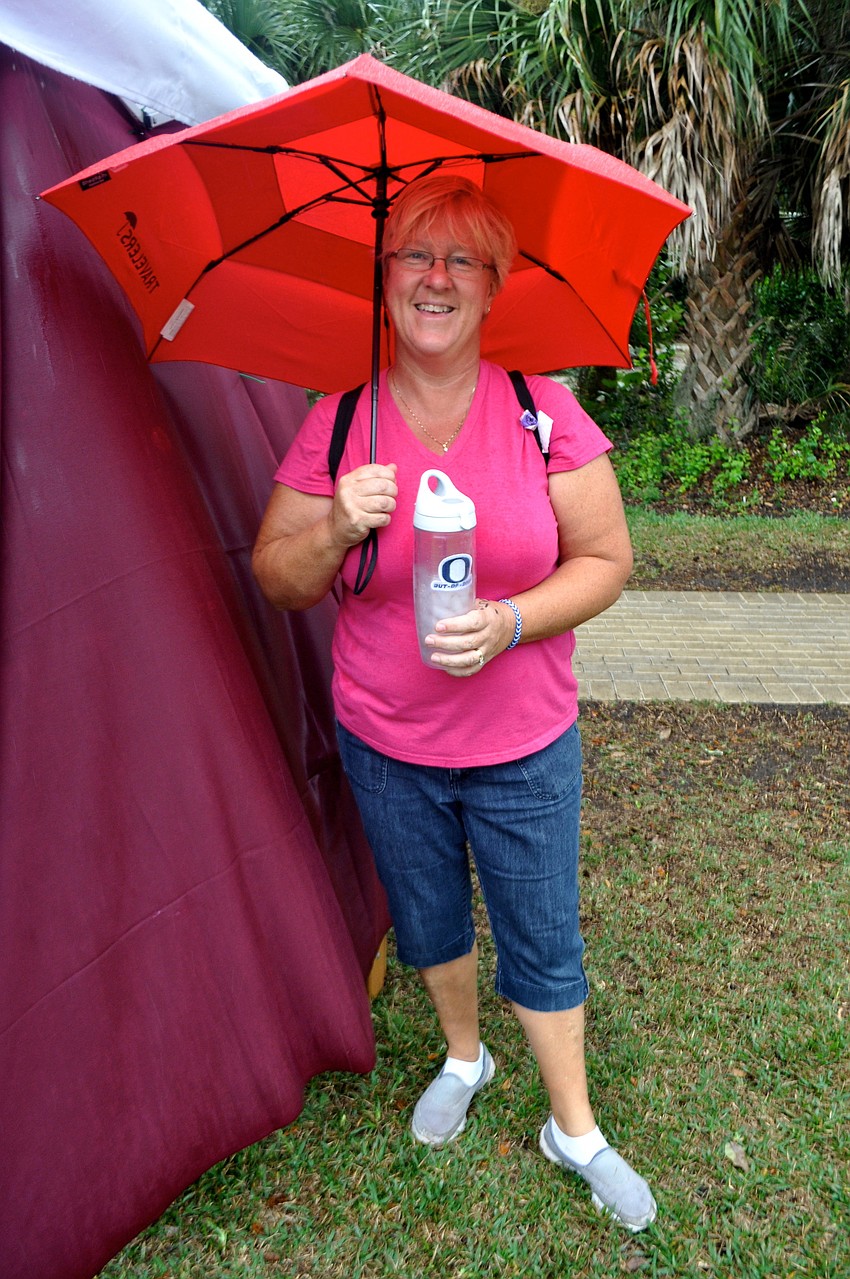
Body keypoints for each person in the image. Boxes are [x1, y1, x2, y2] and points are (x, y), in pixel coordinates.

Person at [252, 175, 657, 1232]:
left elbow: (608, 559)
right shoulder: (341, 423)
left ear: (492, 286)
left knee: (542, 932)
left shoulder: (542, 412)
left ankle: (573, 1126)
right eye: (413, 257)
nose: (435, 279)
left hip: (524, 739)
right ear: (384, 279)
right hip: (387, 739)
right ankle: (465, 1057)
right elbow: (277, 576)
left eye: (461, 261)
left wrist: (511, 621)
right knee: (428, 915)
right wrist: (335, 524)